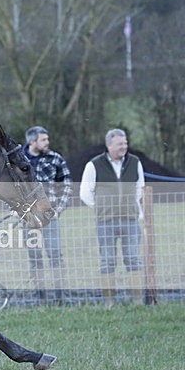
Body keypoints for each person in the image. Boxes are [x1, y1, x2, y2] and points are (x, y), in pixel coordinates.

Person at [79, 128, 145, 307]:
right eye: (119, 144)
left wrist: (128, 206)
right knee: (107, 261)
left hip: (130, 220)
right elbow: (85, 194)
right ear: (109, 145)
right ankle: (109, 301)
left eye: (125, 143)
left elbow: (140, 188)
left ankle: (137, 300)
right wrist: (103, 208)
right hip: (105, 222)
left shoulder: (135, 162)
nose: (124, 147)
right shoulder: (94, 165)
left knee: (133, 259)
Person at [22, 126, 72, 305]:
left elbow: (66, 185)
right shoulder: (19, 160)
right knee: (35, 257)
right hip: (28, 218)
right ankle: (40, 297)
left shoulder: (55, 159)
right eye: (43, 140)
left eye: (47, 139)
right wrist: (13, 208)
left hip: (50, 218)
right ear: (32, 142)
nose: (47, 143)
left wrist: (58, 209)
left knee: (55, 255)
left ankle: (61, 297)